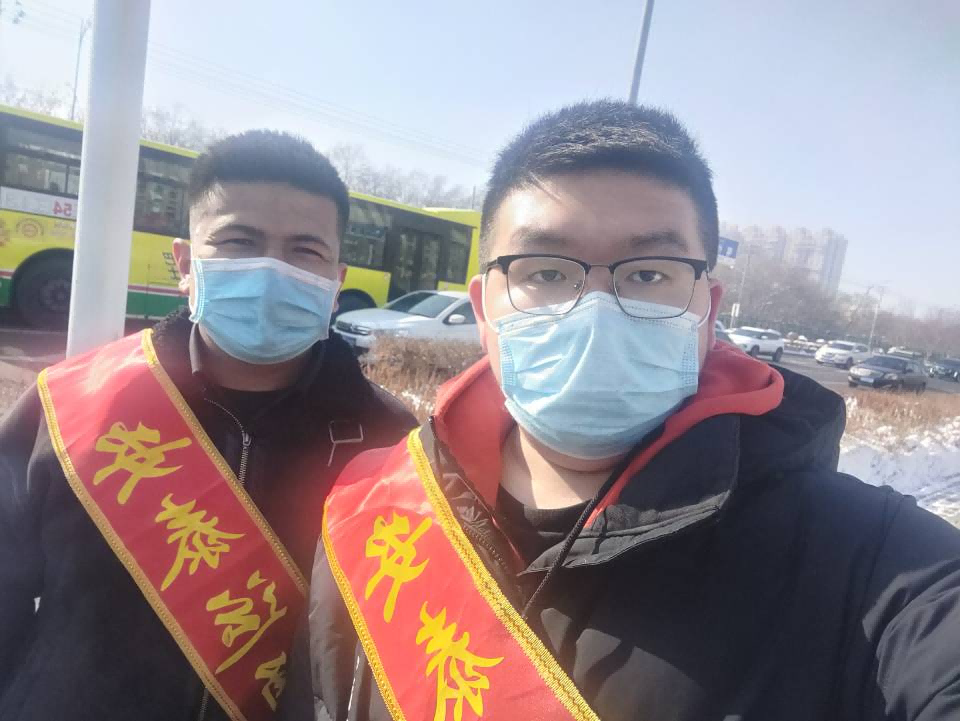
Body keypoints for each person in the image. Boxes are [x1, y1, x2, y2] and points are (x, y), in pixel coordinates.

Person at [304, 101, 960, 721]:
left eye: (648, 274)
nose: (596, 310)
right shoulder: (380, 507)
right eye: (547, 272)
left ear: (707, 308)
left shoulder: (874, 565)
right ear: (483, 308)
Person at [0, 130, 416, 721]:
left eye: (305, 251)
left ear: (336, 281)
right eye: (239, 241)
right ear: (185, 263)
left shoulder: (390, 443)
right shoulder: (74, 406)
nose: (271, 269)